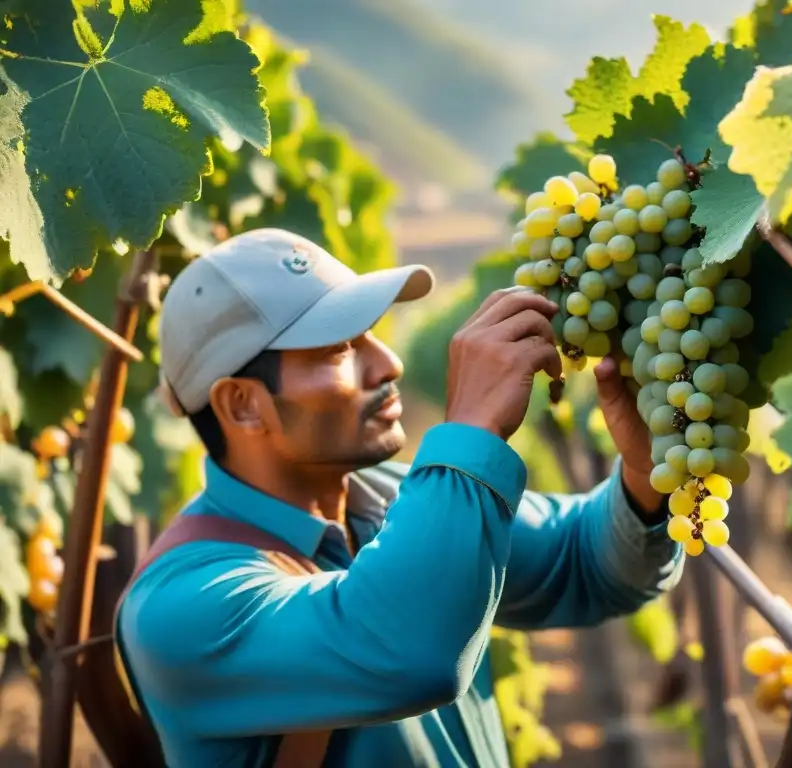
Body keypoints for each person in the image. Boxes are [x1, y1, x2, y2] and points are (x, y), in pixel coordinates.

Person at [116, 228, 684, 768]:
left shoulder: (385, 496)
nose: (389, 364)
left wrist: (642, 470)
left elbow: (586, 563)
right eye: (339, 348)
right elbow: (414, 653)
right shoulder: (183, 607)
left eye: (372, 334)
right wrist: (472, 431)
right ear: (243, 404)